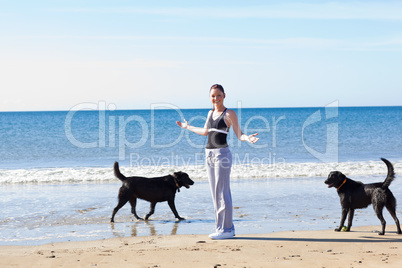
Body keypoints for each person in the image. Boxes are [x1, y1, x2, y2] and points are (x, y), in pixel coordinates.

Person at [176, 84, 259, 240]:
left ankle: (226, 229)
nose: (216, 98)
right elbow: (205, 132)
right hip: (209, 154)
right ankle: (221, 228)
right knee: (215, 193)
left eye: (218, 95)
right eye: (213, 96)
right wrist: (188, 127)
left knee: (222, 191)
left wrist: (248, 138)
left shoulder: (229, 114)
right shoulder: (210, 113)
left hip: (222, 154)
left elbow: (239, 134)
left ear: (224, 95)